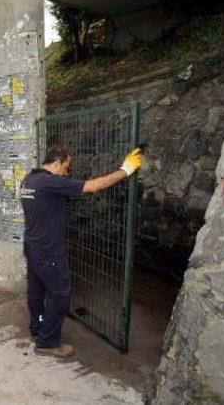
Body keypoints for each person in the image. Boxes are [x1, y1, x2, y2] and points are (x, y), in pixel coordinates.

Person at [21, 145, 143, 358]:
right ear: (56, 163)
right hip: (49, 250)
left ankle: (37, 329)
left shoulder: (29, 180)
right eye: (66, 168)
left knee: (36, 291)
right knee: (60, 295)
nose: (67, 173)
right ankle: (47, 343)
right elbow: (92, 186)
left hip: (33, 246)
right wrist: (125, 170)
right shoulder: (50, 182)